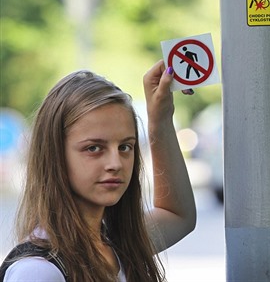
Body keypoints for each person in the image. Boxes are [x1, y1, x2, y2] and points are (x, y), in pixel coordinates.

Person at [1, 60, 197, 281]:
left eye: (125, 147)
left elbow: (179, 215)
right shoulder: (38, 271)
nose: (116, 163)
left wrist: (160, 119)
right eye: (93, 148)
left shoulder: (115, 242)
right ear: (55, 154)